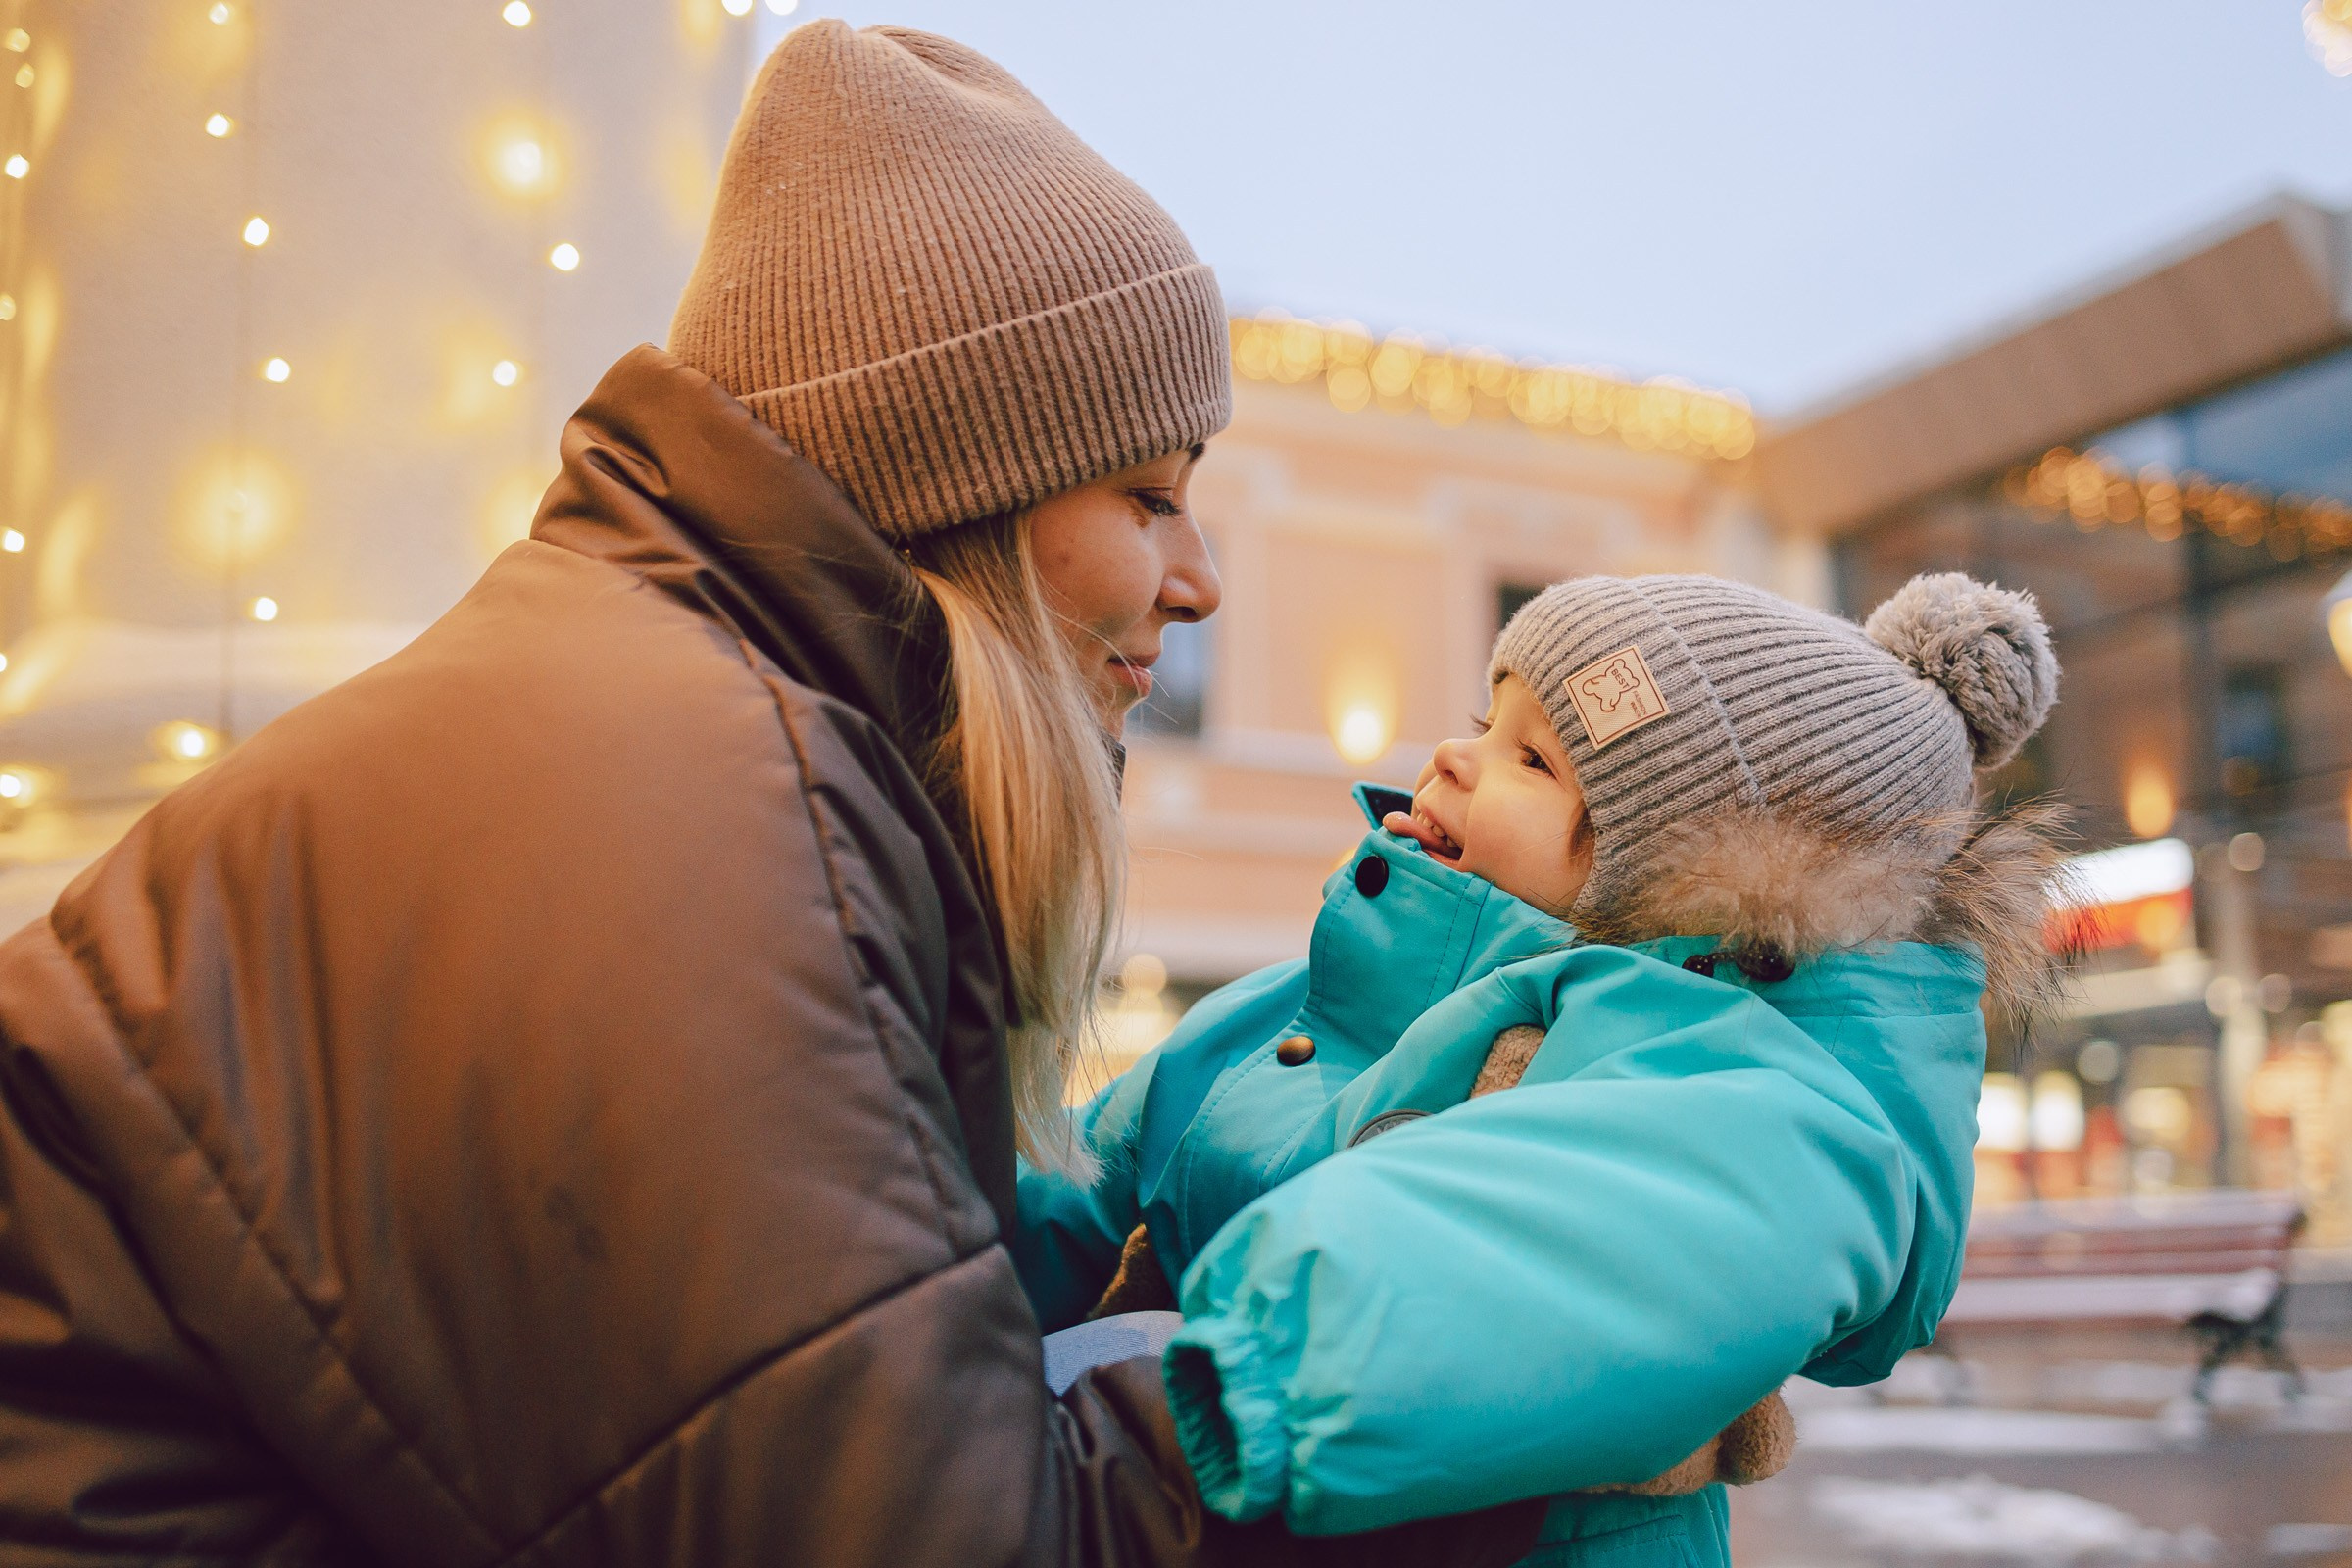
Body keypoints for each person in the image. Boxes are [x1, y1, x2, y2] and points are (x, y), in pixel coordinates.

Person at [0, 24, 1541, 1568]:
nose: (1199, 582)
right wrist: (1464, 1381)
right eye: (1149, 496)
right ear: (958, 482)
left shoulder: (666, 722)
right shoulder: (704, 815)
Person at [1017, 572, 2064, 1565]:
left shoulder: (1751, 1093)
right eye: (1486, 723)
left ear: (1677, 887)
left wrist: (1231, 1385)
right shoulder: (1325, 995)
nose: (1453, 754)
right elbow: (1081, 1182)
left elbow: (1582, 1231)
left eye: (1534, 762)